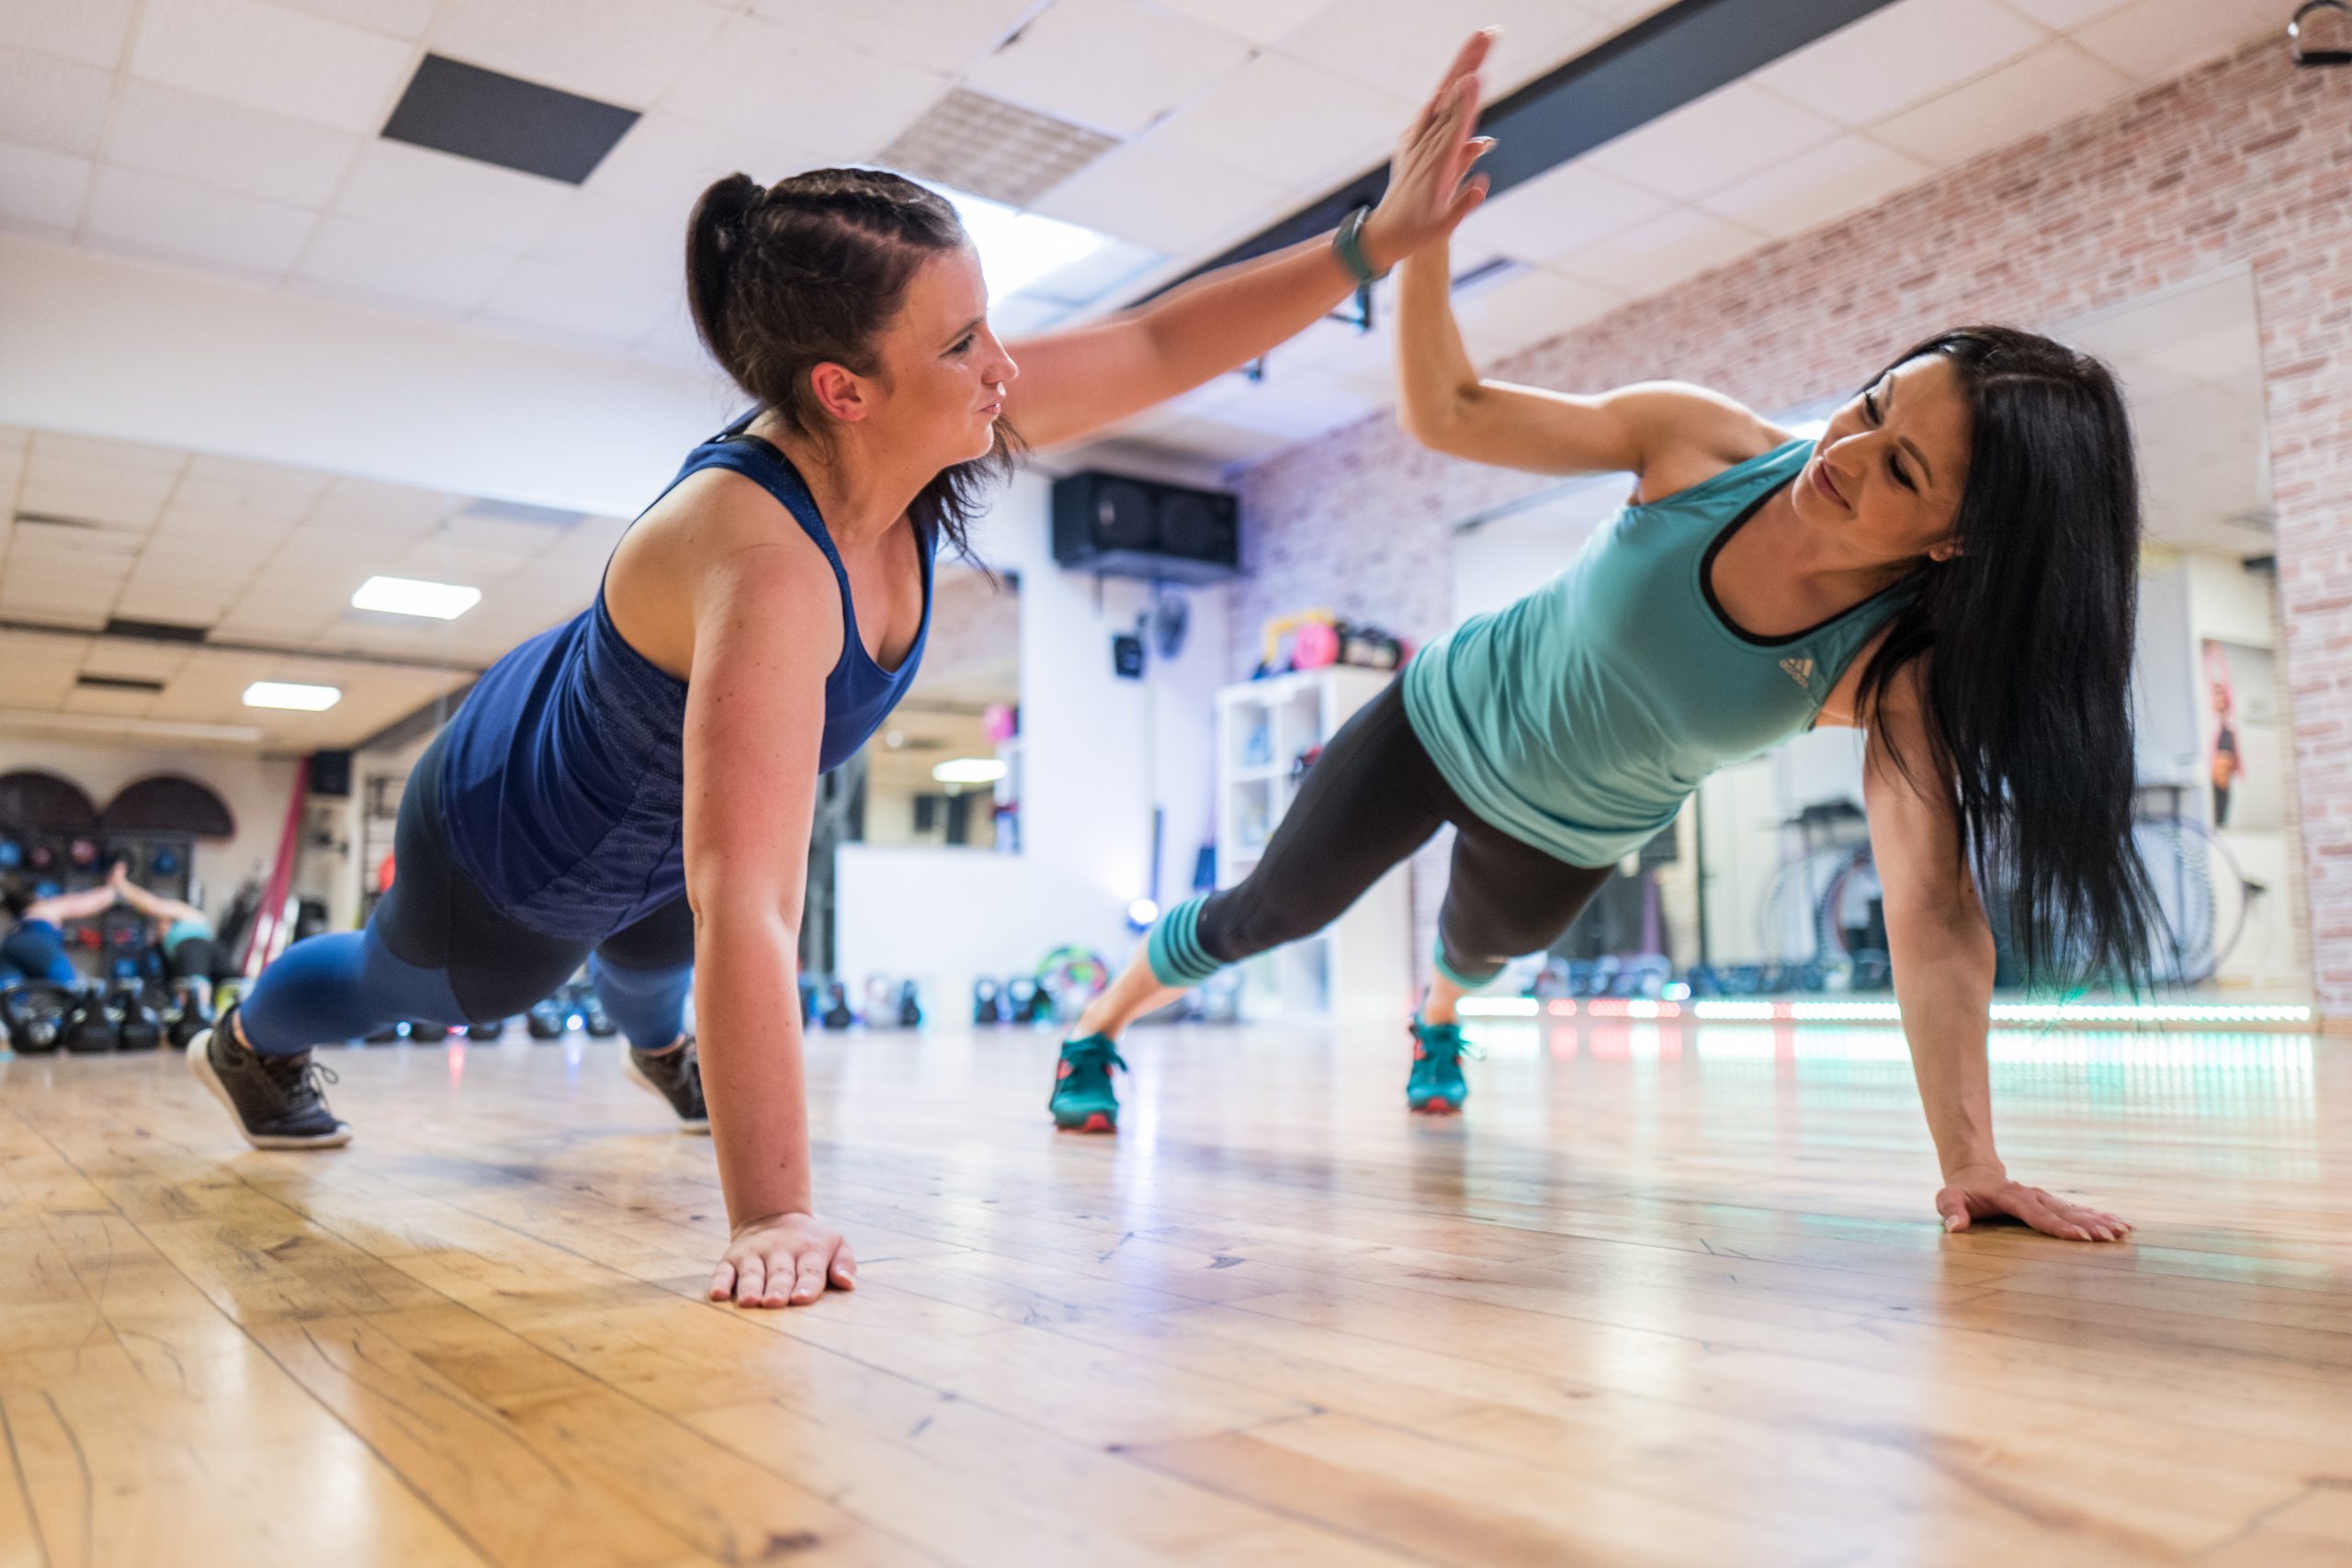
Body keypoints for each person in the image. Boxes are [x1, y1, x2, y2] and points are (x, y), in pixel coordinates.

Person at [185, 32, 1506, 1306]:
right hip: (521, 821)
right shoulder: (760, 558)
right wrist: (774, 1213)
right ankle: (249, 1041)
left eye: (989, 327)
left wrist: (1370, 241)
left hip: (665, 816)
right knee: (425, 985)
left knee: (654, 964)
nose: (1002, 370)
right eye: (960, 345)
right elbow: (751, 901)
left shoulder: (929, 420)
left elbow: (1156, 348)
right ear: (844, 388)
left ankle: (663, 1042)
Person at [1050, 224, 2158, 1247]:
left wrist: (1973, 1162)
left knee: (1483, 955)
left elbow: (1933, 912)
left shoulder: (1890, 672)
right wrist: (1422, 242)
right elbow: (1453, 411)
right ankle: (1095, 1030)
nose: (1848, 452)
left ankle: (1434, 1017)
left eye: (1901, 469)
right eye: (1871, 405)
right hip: (1441, 718)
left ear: (1959, 543)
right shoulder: (1704, 446)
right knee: (1271, 910)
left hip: (1579, 829)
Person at [107, 860, 219, 1005]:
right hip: (189, 963)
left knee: (196, 991)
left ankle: (198, 1017)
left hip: (195, 951)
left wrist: (121, 884)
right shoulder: (168, 939)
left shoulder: (183, 913)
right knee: (184, 992)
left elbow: (152, 905)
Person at [0, 881, 112, 986]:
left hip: (9, 946)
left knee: (7, 998)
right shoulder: (44, 907)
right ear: (36, 897)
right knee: (72, 991)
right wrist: (114, 886)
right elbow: (93, 902)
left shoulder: (19, 919)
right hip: (38, 945)